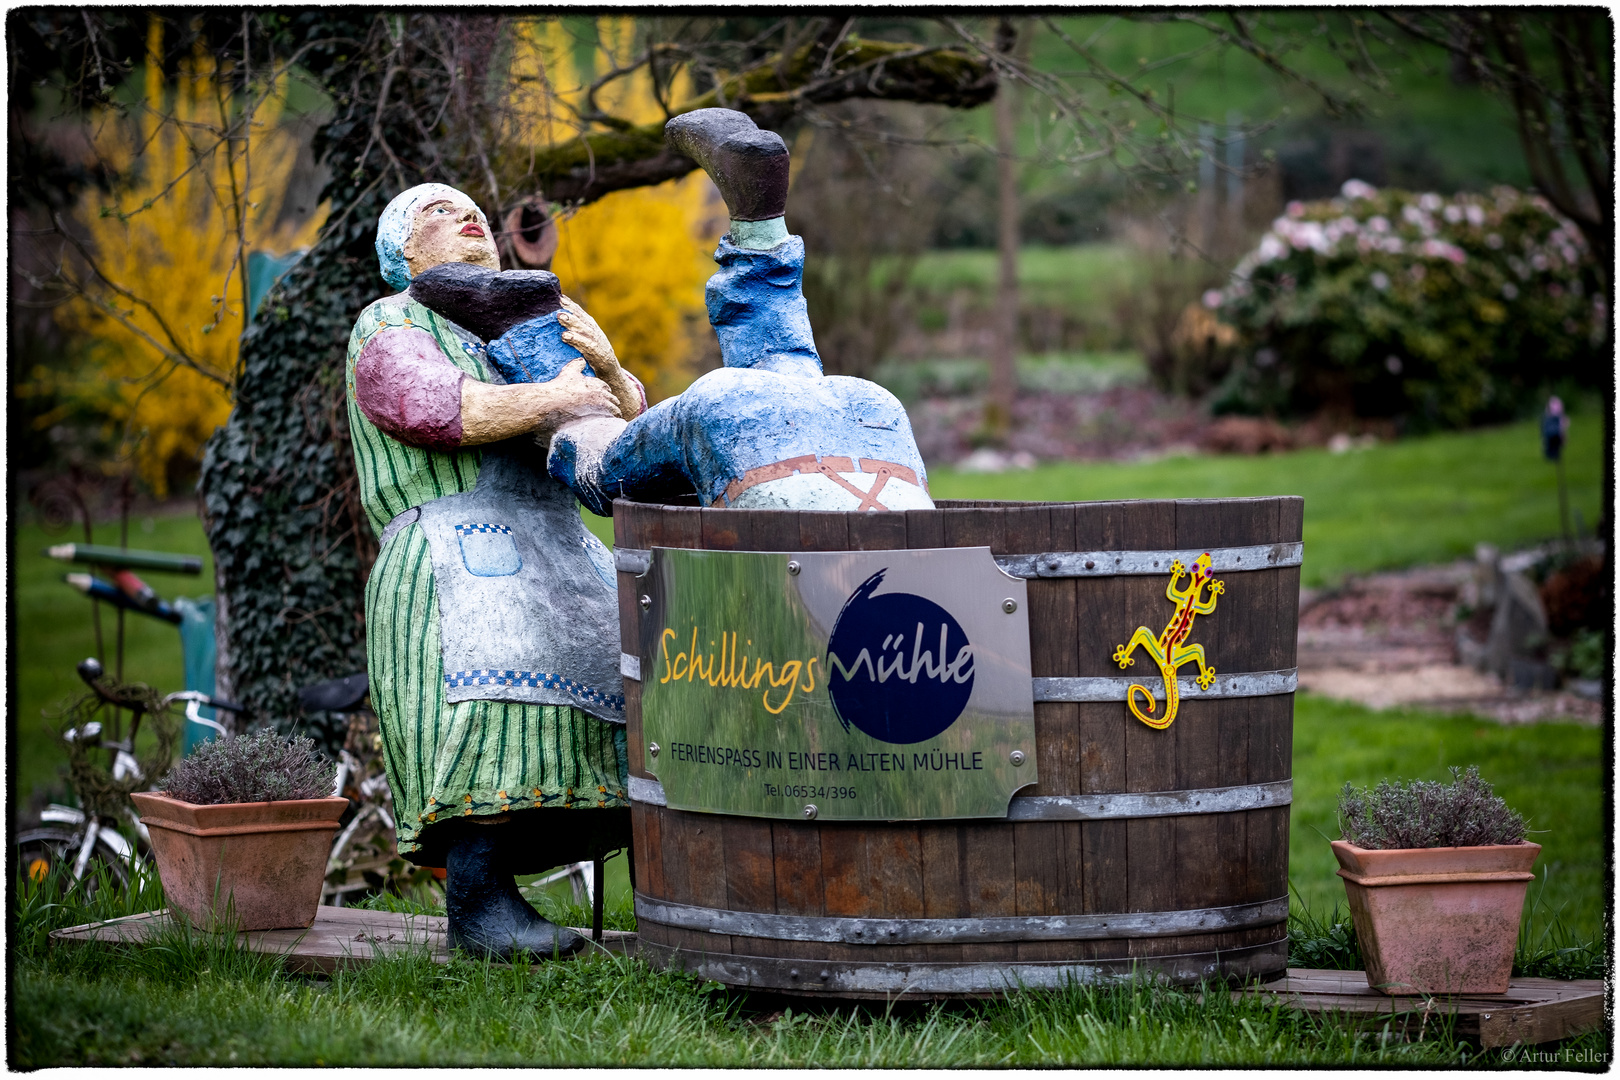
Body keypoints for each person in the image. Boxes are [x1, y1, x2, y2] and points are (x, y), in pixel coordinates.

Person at [348, 181, 641, 960]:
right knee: (491, 717)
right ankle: (482, 907)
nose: (466, 216)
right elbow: (438, 408)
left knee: (628, 703)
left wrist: (609, 371)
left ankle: (669, 884)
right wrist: (550, 396)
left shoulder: (519, 329)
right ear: (402, 252)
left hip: (559, 552)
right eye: (437, 212)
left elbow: (614, 443)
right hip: (462, 558)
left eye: (471, 210)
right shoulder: (392, 322)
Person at [547, 109, 935, 515]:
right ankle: (761, 229)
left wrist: (570, 424)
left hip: (775, 510)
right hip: (872, 451)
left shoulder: (717, 404)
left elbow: (611, 482)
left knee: (615, 459)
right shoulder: (880, 404)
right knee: (790, 374)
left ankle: (761, 232)